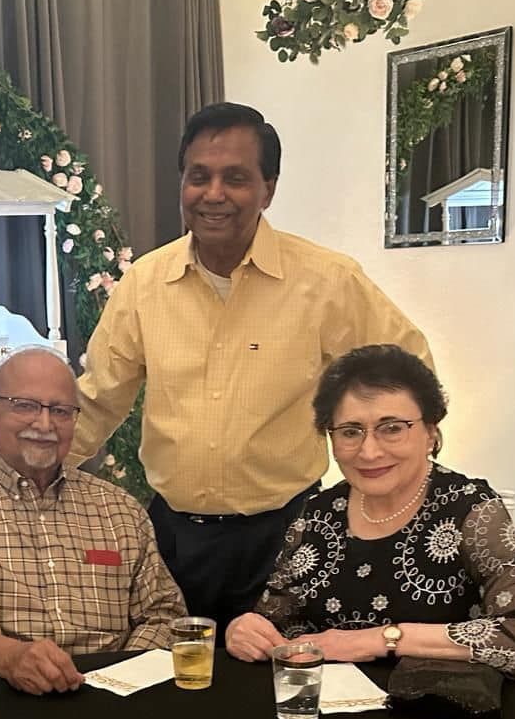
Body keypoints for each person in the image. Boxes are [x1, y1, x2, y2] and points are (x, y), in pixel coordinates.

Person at [68, 101, 432, 628]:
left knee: (279, 688)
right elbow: (98, 400)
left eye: (235, 178)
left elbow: (409, 372)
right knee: (174, 688)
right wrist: (29, 477)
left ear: (269, 188)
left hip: (290, 538)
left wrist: (388, 471)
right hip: (173, 540)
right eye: (199, 177)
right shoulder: (145, 285)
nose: (213, 194)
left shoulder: (327, 282)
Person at [226, 345, 515, 680]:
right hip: (325, 711)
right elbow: (274, 621)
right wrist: (247, 631)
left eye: (392, 428)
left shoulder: (470, 509)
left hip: (432, 716)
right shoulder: (318, 513)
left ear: (430, 432)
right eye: (350, 432)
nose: (369, 451)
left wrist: (379, 640)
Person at [0, 347, 186, 694]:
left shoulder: (120, 510)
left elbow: (163, 612)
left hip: (114, 699)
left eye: (59, 411)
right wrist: (13, 658)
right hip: (5, 699)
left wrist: (119, 678)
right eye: (24, 406)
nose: (44, 424)